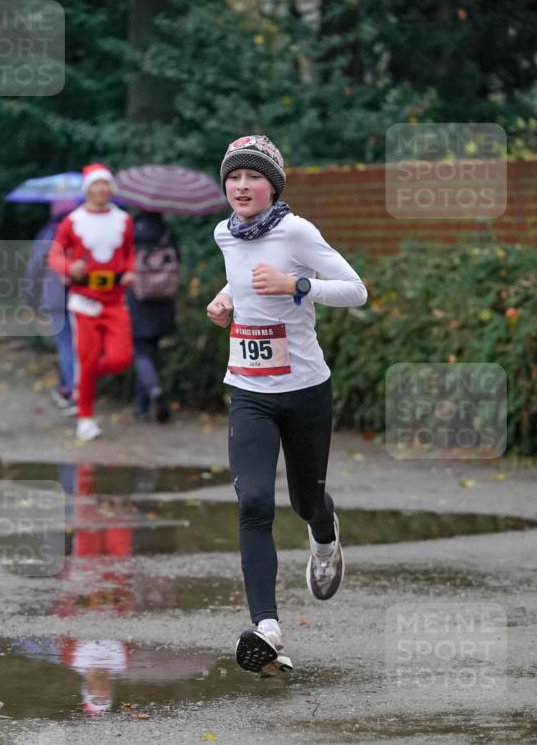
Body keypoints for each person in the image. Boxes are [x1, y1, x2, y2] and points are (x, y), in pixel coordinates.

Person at [206, 135, 368, 676]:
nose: (241, 186)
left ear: (273, 186)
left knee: (306, 501)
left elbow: (355, 290)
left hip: (304, 390)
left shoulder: (296, 231)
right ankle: (267, 629)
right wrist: (226, 300)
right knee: (253, 503)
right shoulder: (224, 234)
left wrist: (296, 284)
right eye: (233, 177)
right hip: (249, 391)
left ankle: (325, 537)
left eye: (252, 177)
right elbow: (241, 283)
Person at [48, 164, 135, 441]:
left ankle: (84, 376)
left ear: (110, 188)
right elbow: (55, 254)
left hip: (114, 300)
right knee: (85, 357)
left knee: (121, 358)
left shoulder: (125, 220)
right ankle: (85, 417)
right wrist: (68, 268)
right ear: (87, 190)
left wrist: (131, 270)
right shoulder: (72, 221)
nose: (101, 190)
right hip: (83, 300)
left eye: (105, 185)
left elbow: (130, 252)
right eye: (95, 185)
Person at [25, 199, 78, 414]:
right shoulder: (83, 228)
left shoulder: (49, 232)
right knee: (78, 344)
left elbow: (35, 267)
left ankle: (73, 391)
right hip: (84, 293)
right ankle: (68, 387)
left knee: (65, 343)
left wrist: (31, 296)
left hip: (56, 295)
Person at [126, 211, 179, 422]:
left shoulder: (130, 232)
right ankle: (142, 405)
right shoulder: (167, 232)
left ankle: (153, 390)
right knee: (150, 351)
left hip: (137, 299)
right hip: (164, 300)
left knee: (140, 352)